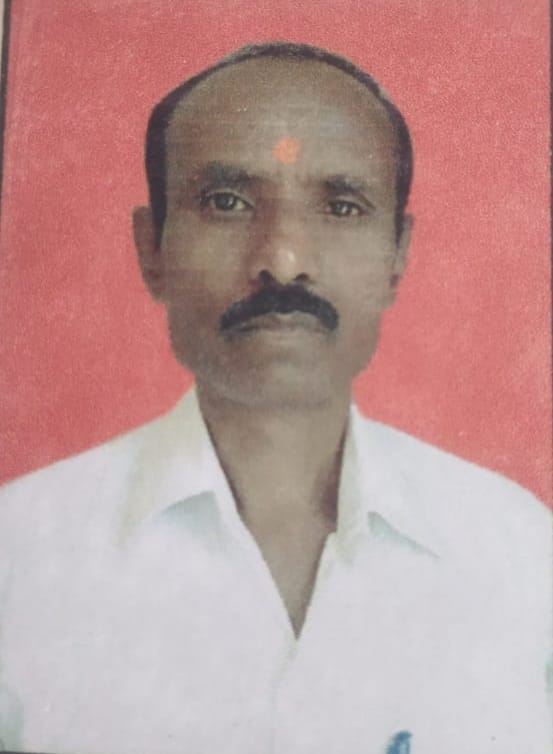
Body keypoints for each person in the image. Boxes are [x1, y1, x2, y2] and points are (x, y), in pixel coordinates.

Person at [0, 42, 550, 754]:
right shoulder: (19, 556)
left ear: (397, 256)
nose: (284, 260)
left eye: (342, 207)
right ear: (151, 249)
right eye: (226, 203)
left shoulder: (519, 551)